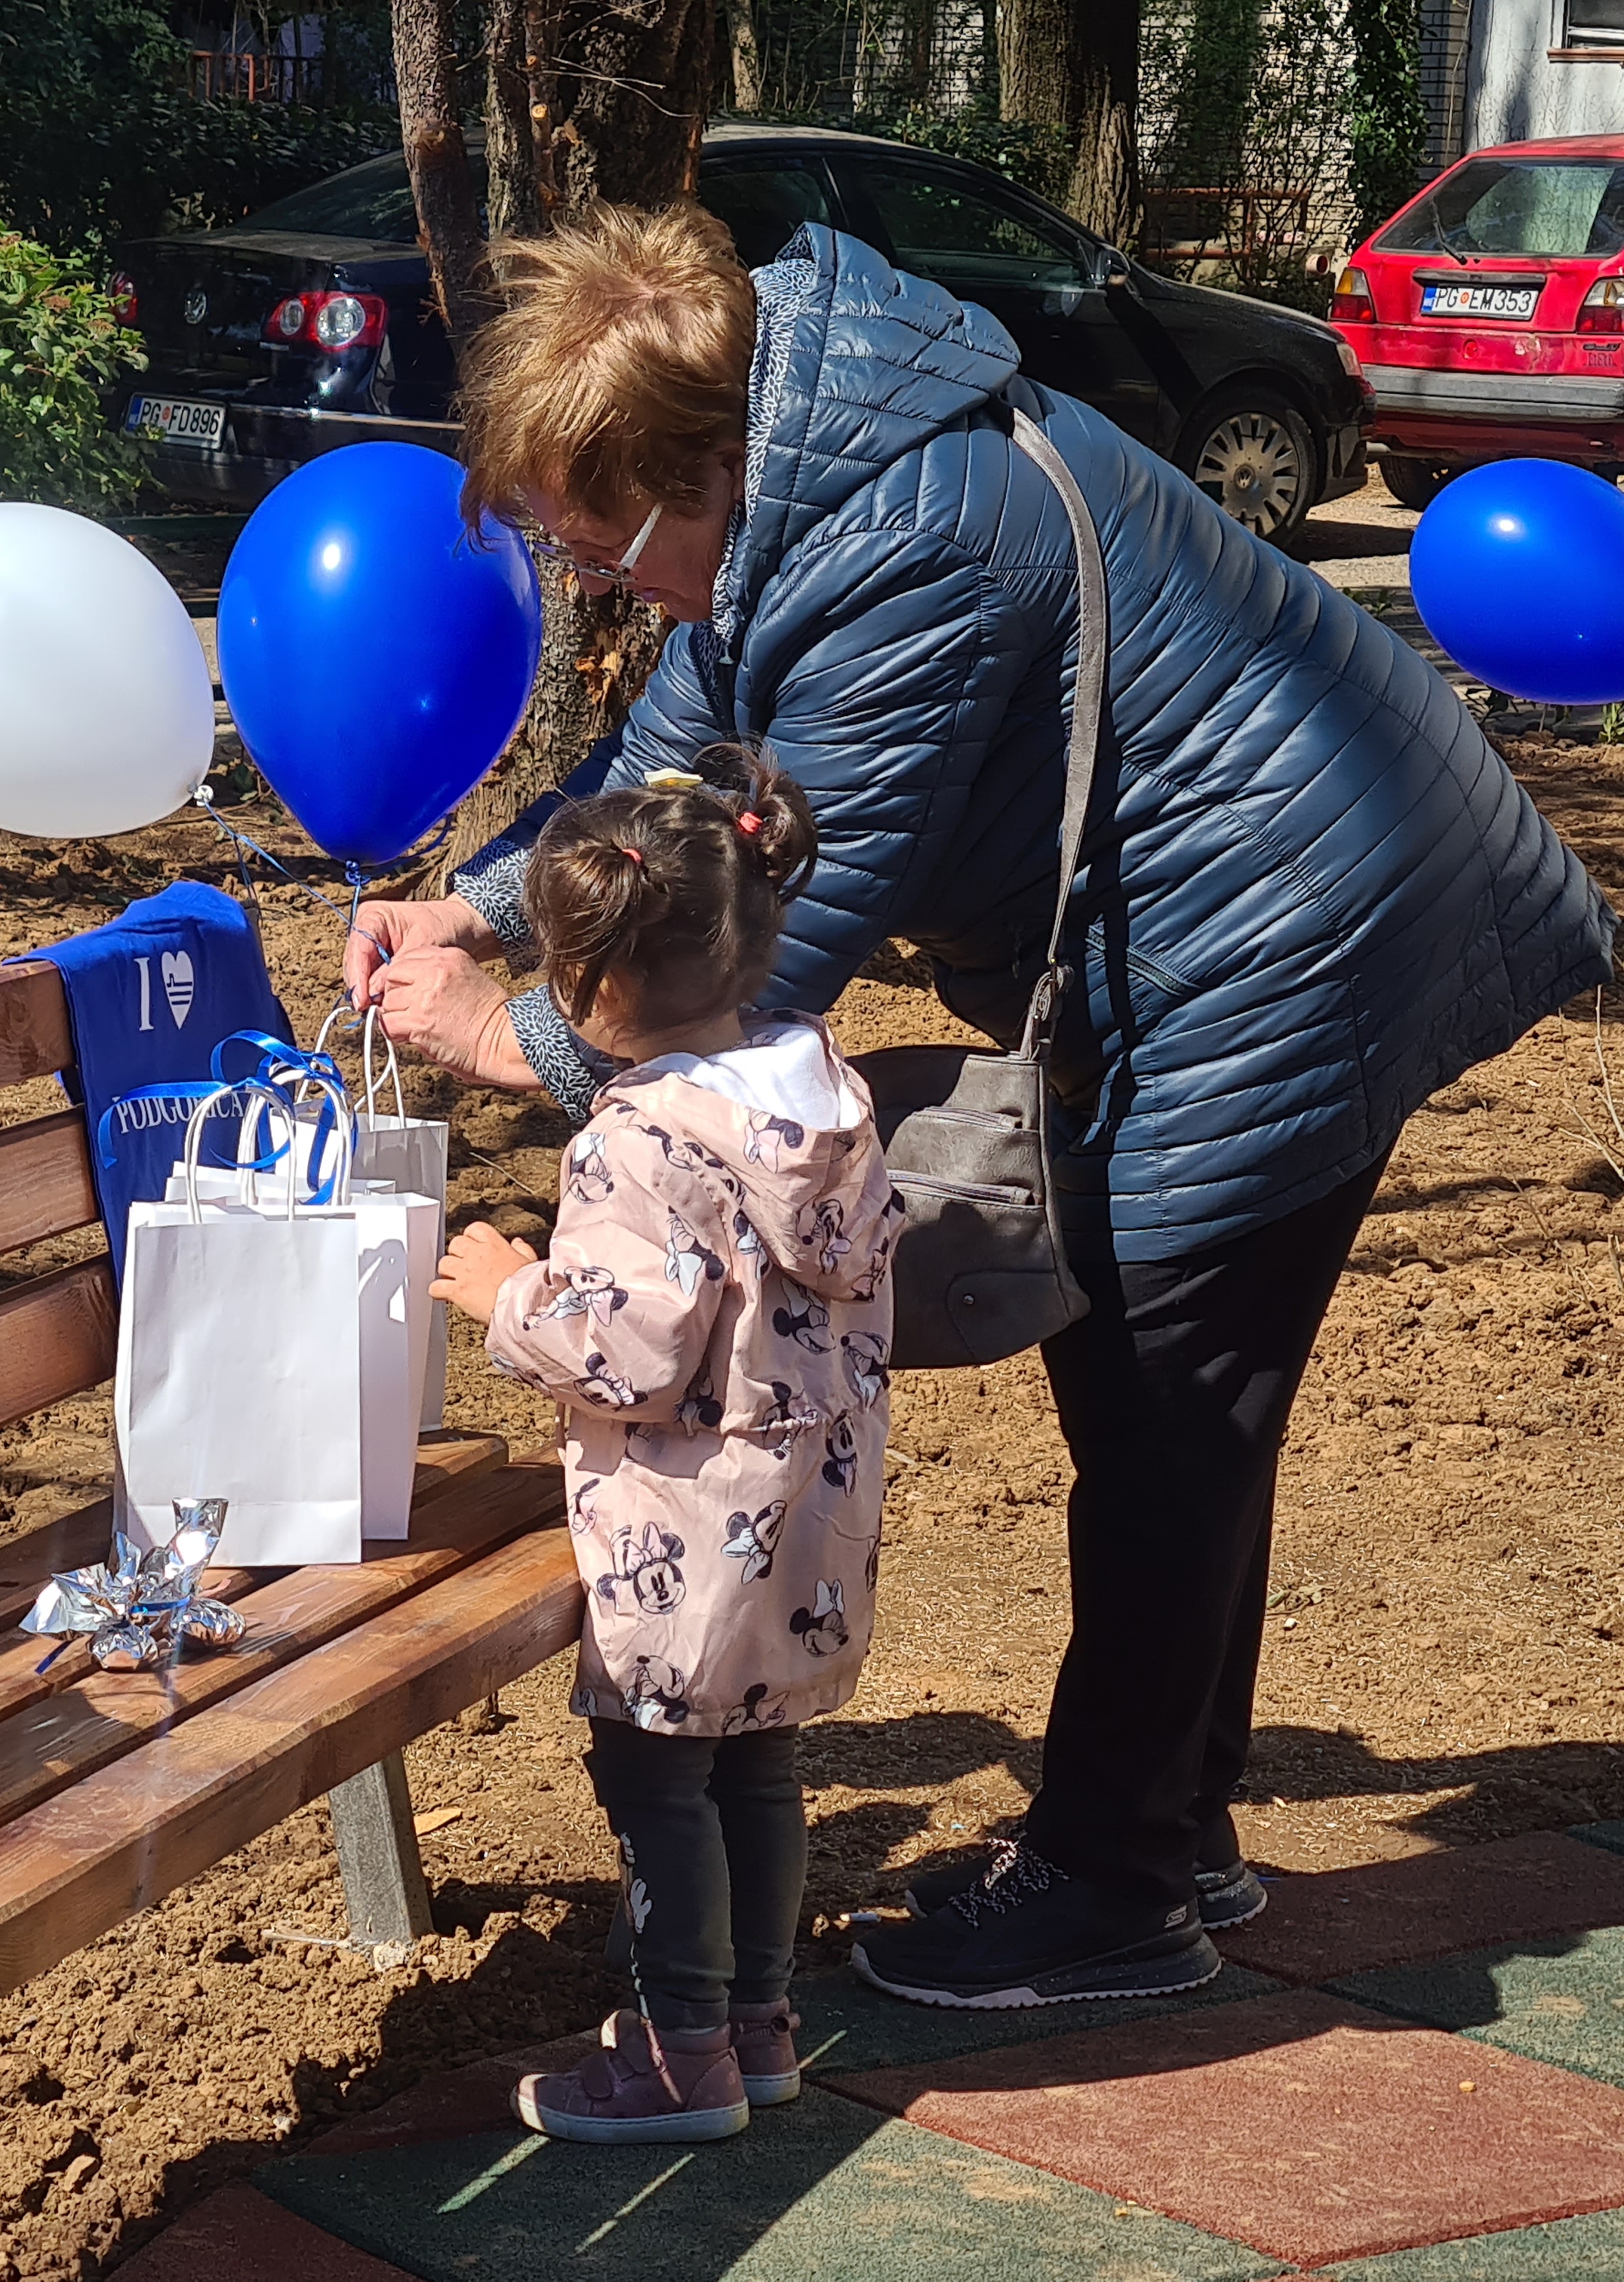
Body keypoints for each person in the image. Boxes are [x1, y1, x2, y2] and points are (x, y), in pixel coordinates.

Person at [362, 205, 1613, 2010]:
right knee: (1178, 1394)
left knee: (1170, 1392)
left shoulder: (913, 548)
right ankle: (1168, 1828)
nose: (604, 584)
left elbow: (770, 941)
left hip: (1299, 927)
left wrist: (515, 1044)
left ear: (704, 466)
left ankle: (1114, 1882)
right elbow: (690, 759)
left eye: (609, 544)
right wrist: (477, 900)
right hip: (1254, 908)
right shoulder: (816, 471)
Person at [429, 754, 899, 2143]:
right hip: (813, 1498)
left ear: (583, 991)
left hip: (685, 1527)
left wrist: (504, 1289)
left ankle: (679, 2057)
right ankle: (758, 2027)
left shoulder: (637, 1138)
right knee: (758, 1763)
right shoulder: (825, 1096)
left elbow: (626, 1353)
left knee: (655, 1779)